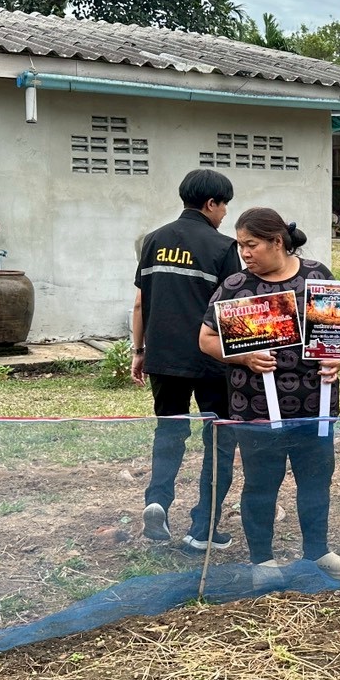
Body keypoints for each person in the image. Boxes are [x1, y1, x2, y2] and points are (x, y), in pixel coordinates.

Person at [199, 209, 340, 582]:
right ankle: (263, 562)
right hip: (255, 408)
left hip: (314, 406)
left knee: (316, 479)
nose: (245, 253)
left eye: (251, 244)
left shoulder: (317, 277)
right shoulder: (237, 286)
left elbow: (334, 336)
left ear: (277, 242)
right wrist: (243, 356)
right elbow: (205, 340)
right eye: (241, 245)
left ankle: (318, 552)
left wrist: (335, 363)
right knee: (260, 482)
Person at [132, 170, 242, 551]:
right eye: (224, 204)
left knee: (169, 432)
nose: (226, 212)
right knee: (219, 439)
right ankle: (204, 528)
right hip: (211, 360)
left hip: (162, 359)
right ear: (210, 203)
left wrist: (139, 350)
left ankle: (157, 501)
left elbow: (141, 301)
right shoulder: (223, 247)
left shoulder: (153, 241)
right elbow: (233, 311)